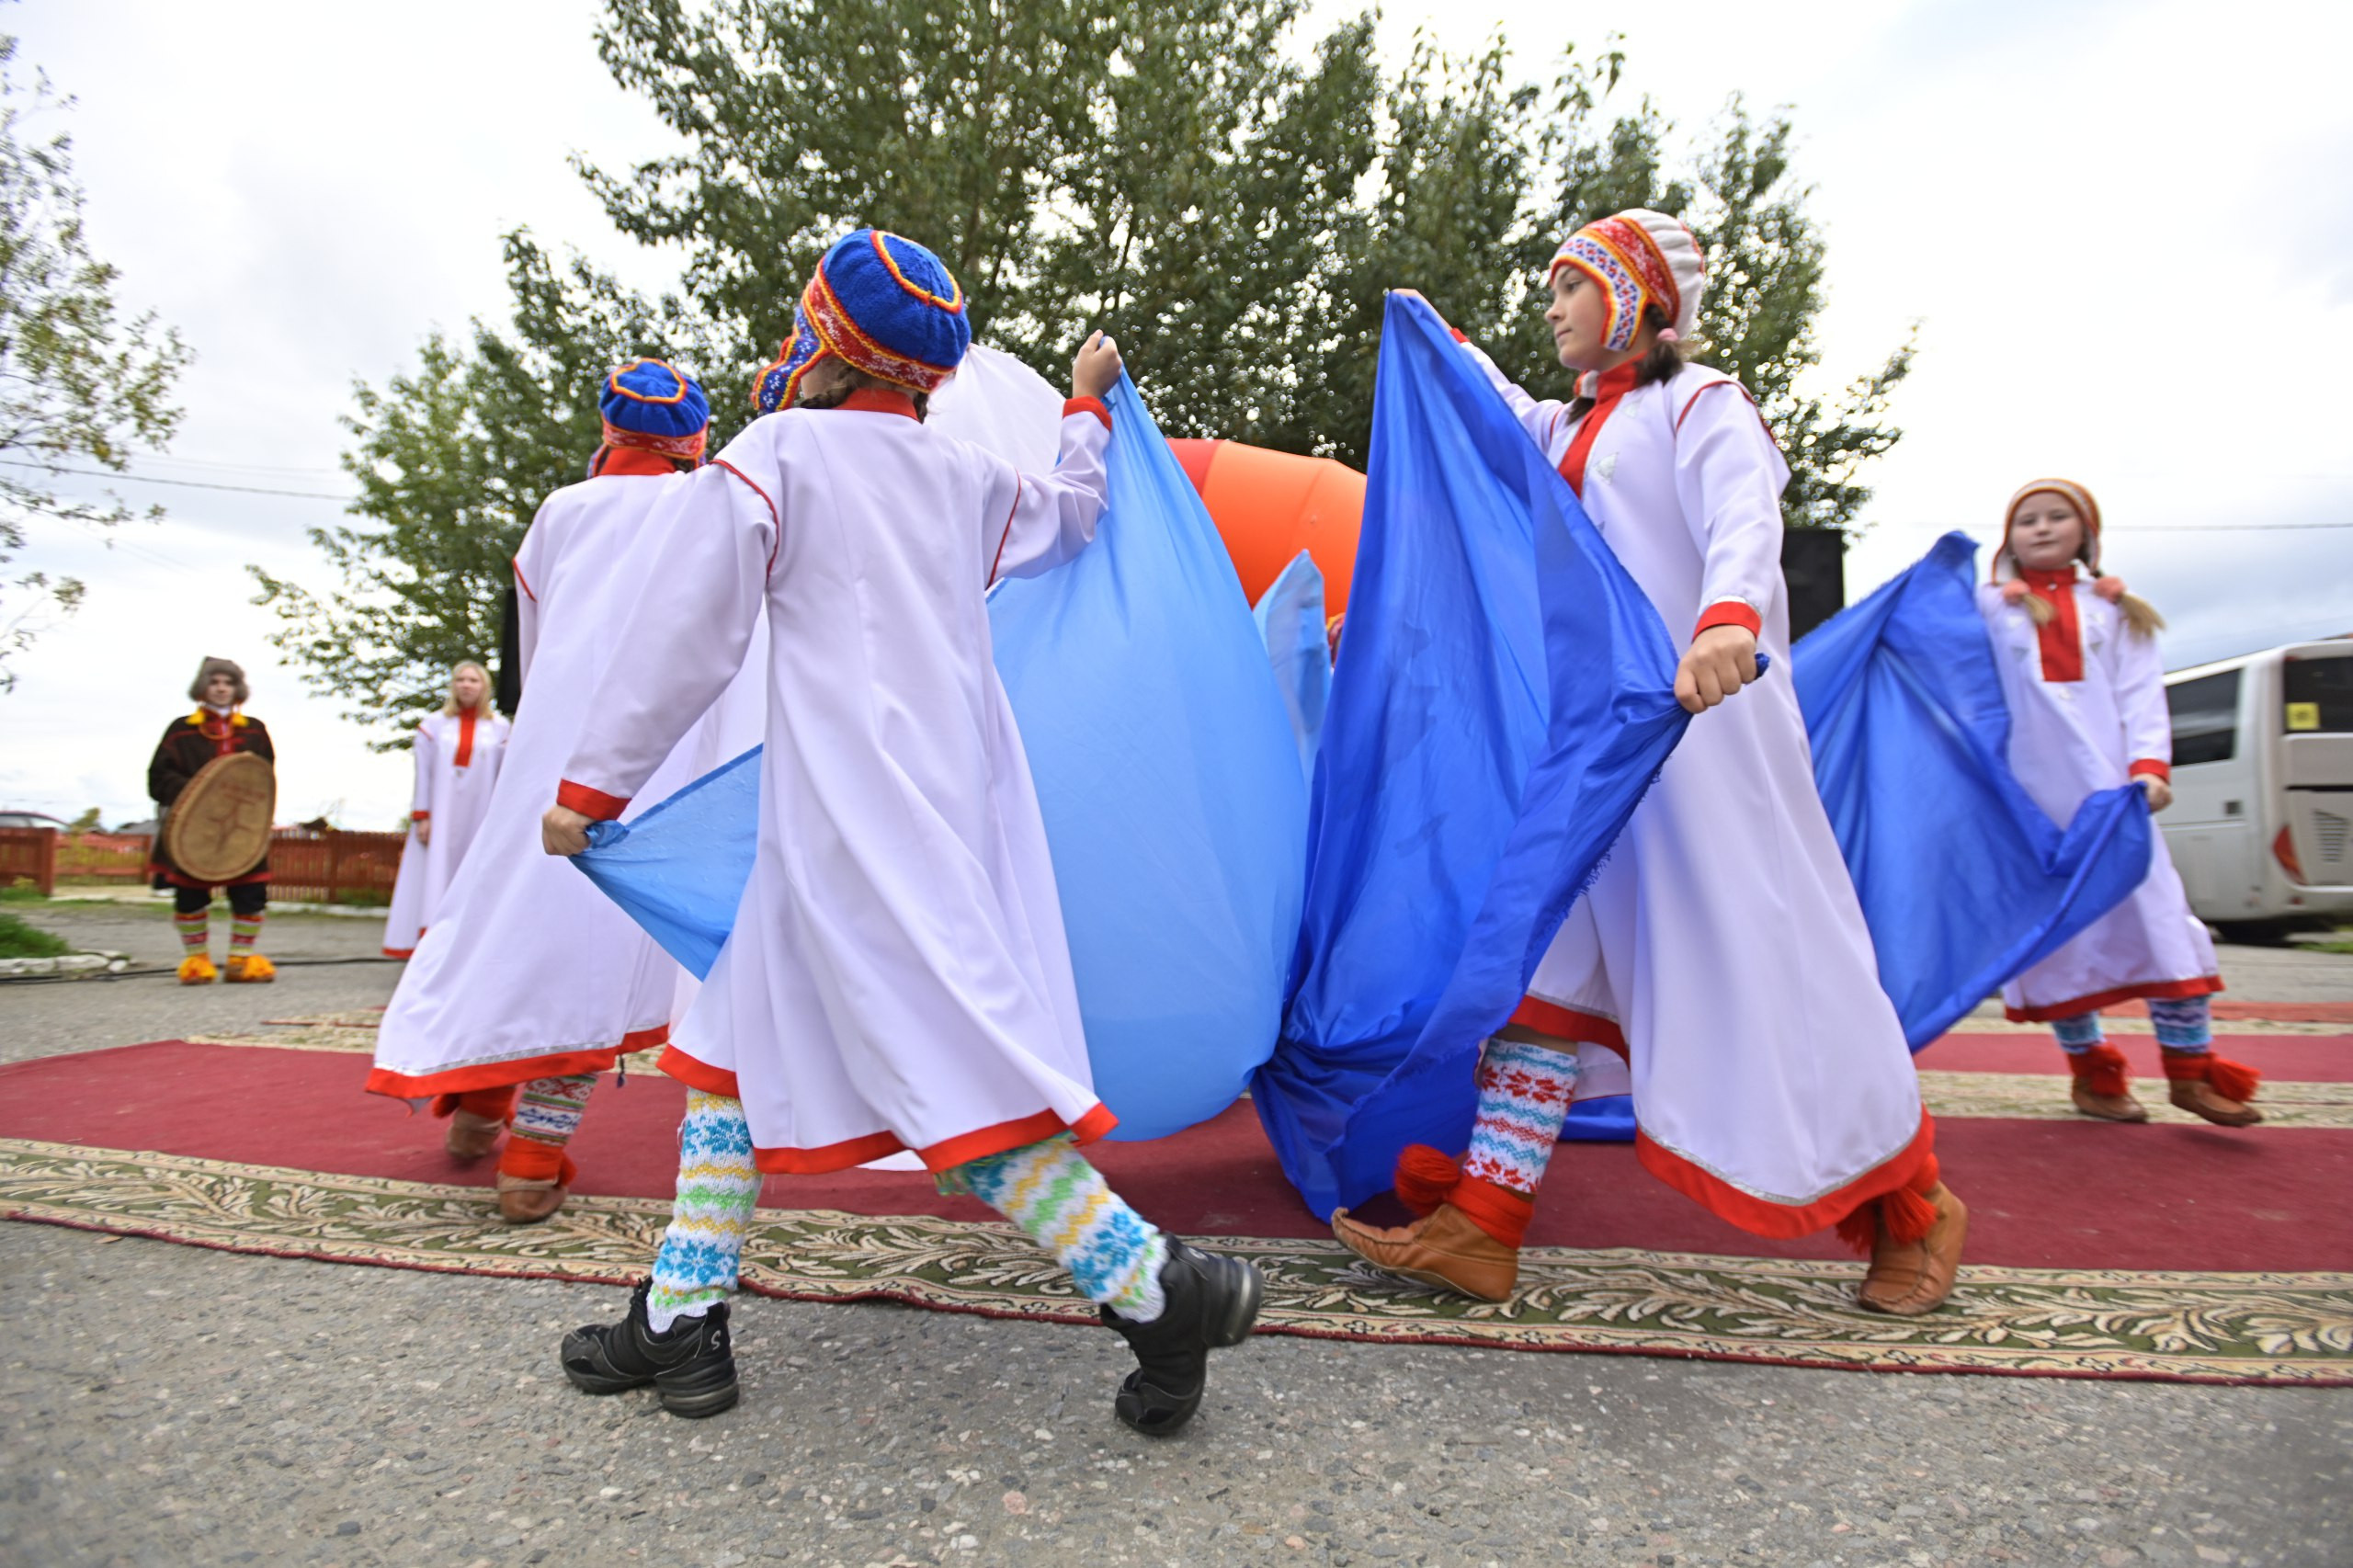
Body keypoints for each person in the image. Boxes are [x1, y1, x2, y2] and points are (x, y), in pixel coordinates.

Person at [541, 229, 1262, 1431]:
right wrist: (1085, 409)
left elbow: (685, 635)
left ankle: (1154, 1285)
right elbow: (1076, 512)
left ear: (823, 335)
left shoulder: (779, 454)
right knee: (725, 1050)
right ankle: (682, 1319)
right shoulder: (967, 478)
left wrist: (592, 789)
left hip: (849, 827)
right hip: (920, 812)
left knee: (949, 1085)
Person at [1333, 210, 1967, 1316]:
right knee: (1547, 976)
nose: (1551, 305)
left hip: (1706, 736)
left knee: (1775, 973)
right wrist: (1439, 339)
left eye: (1571, 284)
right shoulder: (1567, 428)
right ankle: (1485, 1224)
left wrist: (1726, 620)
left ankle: (1912, 1205)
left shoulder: (1701, 404)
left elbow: (1742, 517)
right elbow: (1495, 422)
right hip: (1600, 752)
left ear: (1636, 297)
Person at [366, 358, 765, 1222]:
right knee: (596, 948)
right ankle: (531, 1161)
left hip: (549, 750)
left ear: (608, 431)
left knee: (513, 918)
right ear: (693, 439)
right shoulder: (708, 503)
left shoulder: (561, 511)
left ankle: (477, 1113)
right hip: (652, 751)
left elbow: (533, 644)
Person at [1978, 480, 2256, 1126]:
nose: (2041, 529)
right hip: (2033, 803)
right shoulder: (1990, 608)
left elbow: (2140, 696)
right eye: (2027, 521)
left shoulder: (2118, 611)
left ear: (2087, 534)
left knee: (2161, 920)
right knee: (2059, 938)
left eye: (2056, 518)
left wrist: (2150, 768)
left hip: (2113, 796)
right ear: (2008, 538)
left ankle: (2191, 1071)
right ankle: (2093, 1071)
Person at [148, 656, 276, 984]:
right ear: (203, 688)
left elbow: (263, 779)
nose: (221, 688)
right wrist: (200, 792)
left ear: (237, 689)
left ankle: (240, 961)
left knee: (250, 892)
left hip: (241, 828)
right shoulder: (182, 730)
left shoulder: (255, 730)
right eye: (215, 682)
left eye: (227, 683)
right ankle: (197, 961)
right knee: (190, 895)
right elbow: (159, 777)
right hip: (194, 827)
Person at [382, 661, 511, 958]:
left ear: (484, 687)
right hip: (439, 817)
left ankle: (471, 945)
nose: (466, 685)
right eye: (461, 679)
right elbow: (423, 775)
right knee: (435, 873)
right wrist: (422, 815)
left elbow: (506, 777)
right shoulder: (433, 726)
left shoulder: (501, 728)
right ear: (453, 685)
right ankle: (430, 945)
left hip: (481, 816)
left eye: (473, 680)